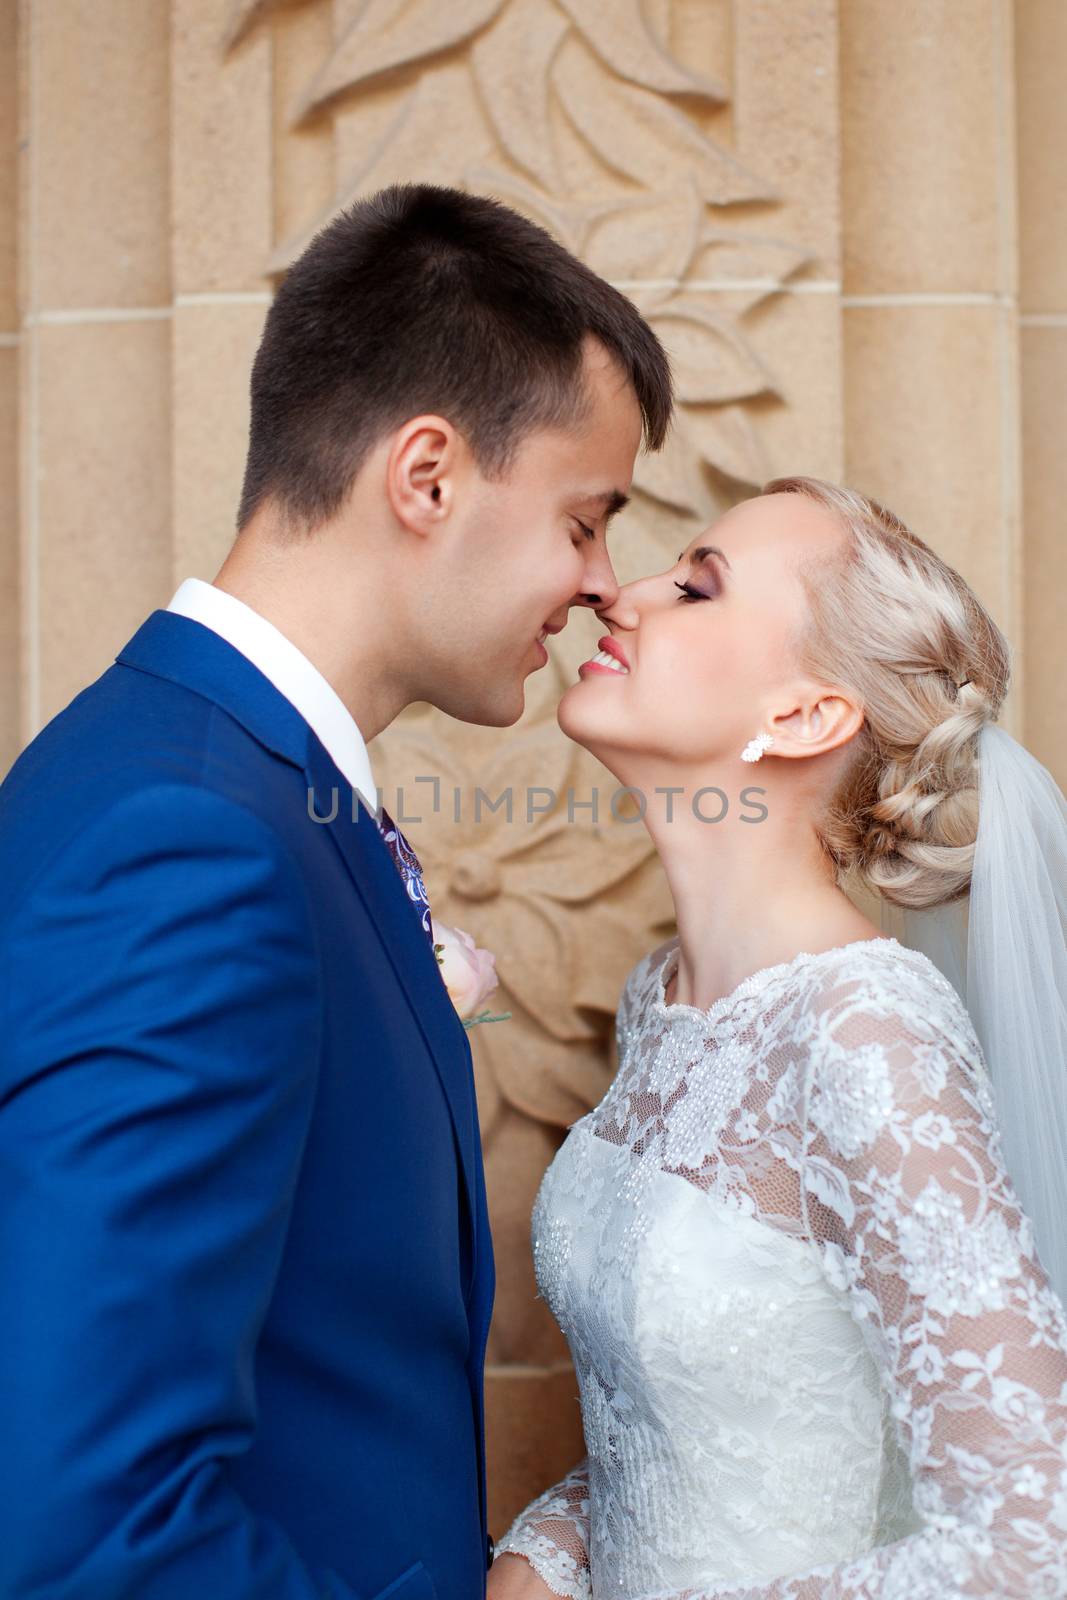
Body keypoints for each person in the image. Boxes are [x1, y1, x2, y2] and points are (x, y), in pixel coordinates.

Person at [0, 183, 671, 1600]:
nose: (603, 584)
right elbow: (89, 1528)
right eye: (583, 518)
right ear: (425, 477)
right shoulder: (192, 839)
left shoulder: (205, 774)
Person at [490, 476, 1067, 1598]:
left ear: (801, 717)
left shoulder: (866, 1031)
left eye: (695, 587)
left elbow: (1029, 1534)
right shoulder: (661, 999)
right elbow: (689, 1423)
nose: (622, 595)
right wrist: (538, 1559)